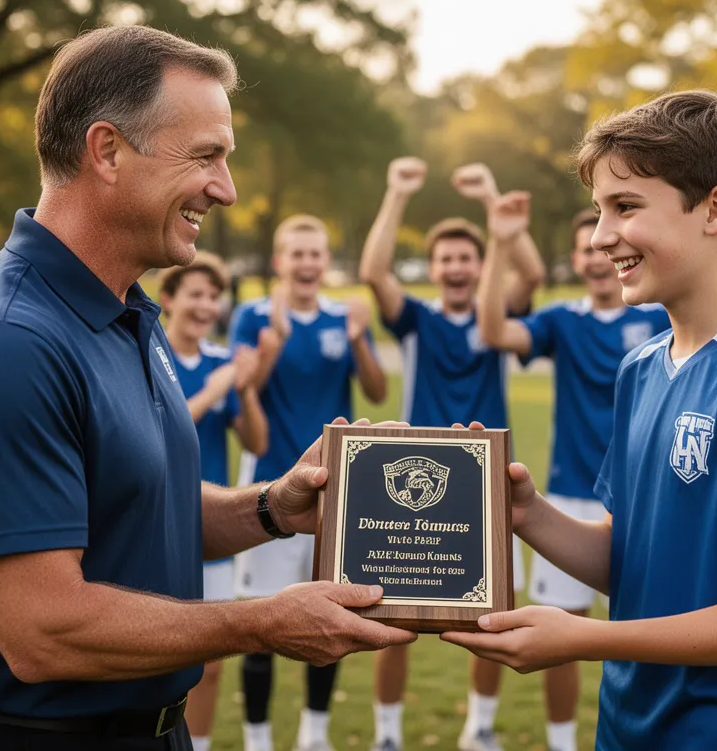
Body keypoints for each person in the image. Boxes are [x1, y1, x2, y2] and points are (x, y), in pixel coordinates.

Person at [0, 25, 416, 751]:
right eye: (206, 156)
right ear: (107, 150)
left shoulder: (125, 312)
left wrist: (274, 506)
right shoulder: (5, 341)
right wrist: (260, 621)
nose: (226, 189)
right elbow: (44, 631)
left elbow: (139, 503)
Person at [443, 90, 717, 750]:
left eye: (626, 208)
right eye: (600, 211)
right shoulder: (641, 367)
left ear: (716, 209)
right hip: (628, 728)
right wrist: (525, 512)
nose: (602, 237)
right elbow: (633, 561)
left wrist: (590, 638)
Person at [358, 159, 545, 751]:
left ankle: (480, 727)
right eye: (448, 259)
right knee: (396, 621)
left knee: (489, 619)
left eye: (468, 258)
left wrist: (494, 199)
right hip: (416, 482)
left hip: (486, 481)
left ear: (481, 266)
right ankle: (388, 734)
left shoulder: (496, 319)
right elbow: (373, 270)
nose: (458, 267)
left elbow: (532, 272)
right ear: (435, 268)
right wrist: (396, 193)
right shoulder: (415, 320)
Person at [476, 202, 670, 751]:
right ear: (577, 260)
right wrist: (500, 243)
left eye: (601, 246)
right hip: (564, 497)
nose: (595, 257)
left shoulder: (659, 317)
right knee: (561, 634)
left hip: (640, 501)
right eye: (584, 249)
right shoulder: (563, 320)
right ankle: (564, 742)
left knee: (644, 632)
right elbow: (494, 330)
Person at [229, 214, 388, 751]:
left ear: (326, 262)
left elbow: (376, 389)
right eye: (296, 254)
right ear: (279, 262)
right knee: (259, 613)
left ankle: (315, 733)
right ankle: (256, 737)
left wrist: (361, 339)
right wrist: (272, 347)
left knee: (332, 610)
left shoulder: (343, 318)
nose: (306, 263)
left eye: (315, 253)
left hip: (336, 490)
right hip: (271, 489)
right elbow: (242, 397)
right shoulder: (252, 317)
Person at [158, 251, 273, 751]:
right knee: (158, 652)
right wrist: (216, 387)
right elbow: (161, 430)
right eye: (195, 295)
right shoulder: (148, 354)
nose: (206, 306)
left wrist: (244, 391)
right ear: (168, 300)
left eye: (213, 297)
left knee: (207, 661)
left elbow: (258, 444)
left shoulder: (222, 363)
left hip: (215, 531)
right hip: (158, 524)